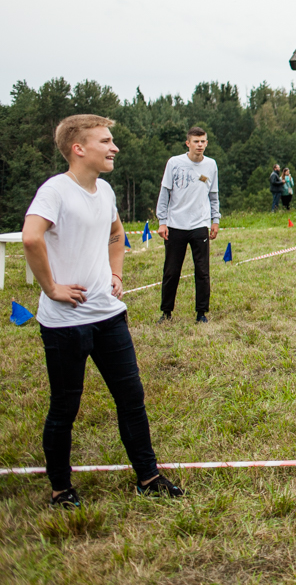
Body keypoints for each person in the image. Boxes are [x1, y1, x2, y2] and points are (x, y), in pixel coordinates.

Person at [22, 115, 185, 509]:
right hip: (65, 323)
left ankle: (148, 477)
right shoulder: (55, 191)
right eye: (106, 141)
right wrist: (51, 288)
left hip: (109, 316)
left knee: (131, 398)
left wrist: (115, 272)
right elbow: (31, 237)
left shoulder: (106, 190)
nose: (114, 148)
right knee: (65, 407)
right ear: (79, 148)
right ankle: (61, 490)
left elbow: (117, 233)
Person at [156, 127, 220, 324]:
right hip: (176, 224)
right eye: (196, 141)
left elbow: (213, 195)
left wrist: (215, 220)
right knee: (171, 271)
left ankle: (201, 313)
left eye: (203, 141)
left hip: (199, 224)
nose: (199, 145)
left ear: (206, 143)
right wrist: (162, 221)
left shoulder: (211, 165)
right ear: (188, 143)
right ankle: (166, 312)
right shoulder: (175, 163)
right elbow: (165, 192)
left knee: (202, 271)